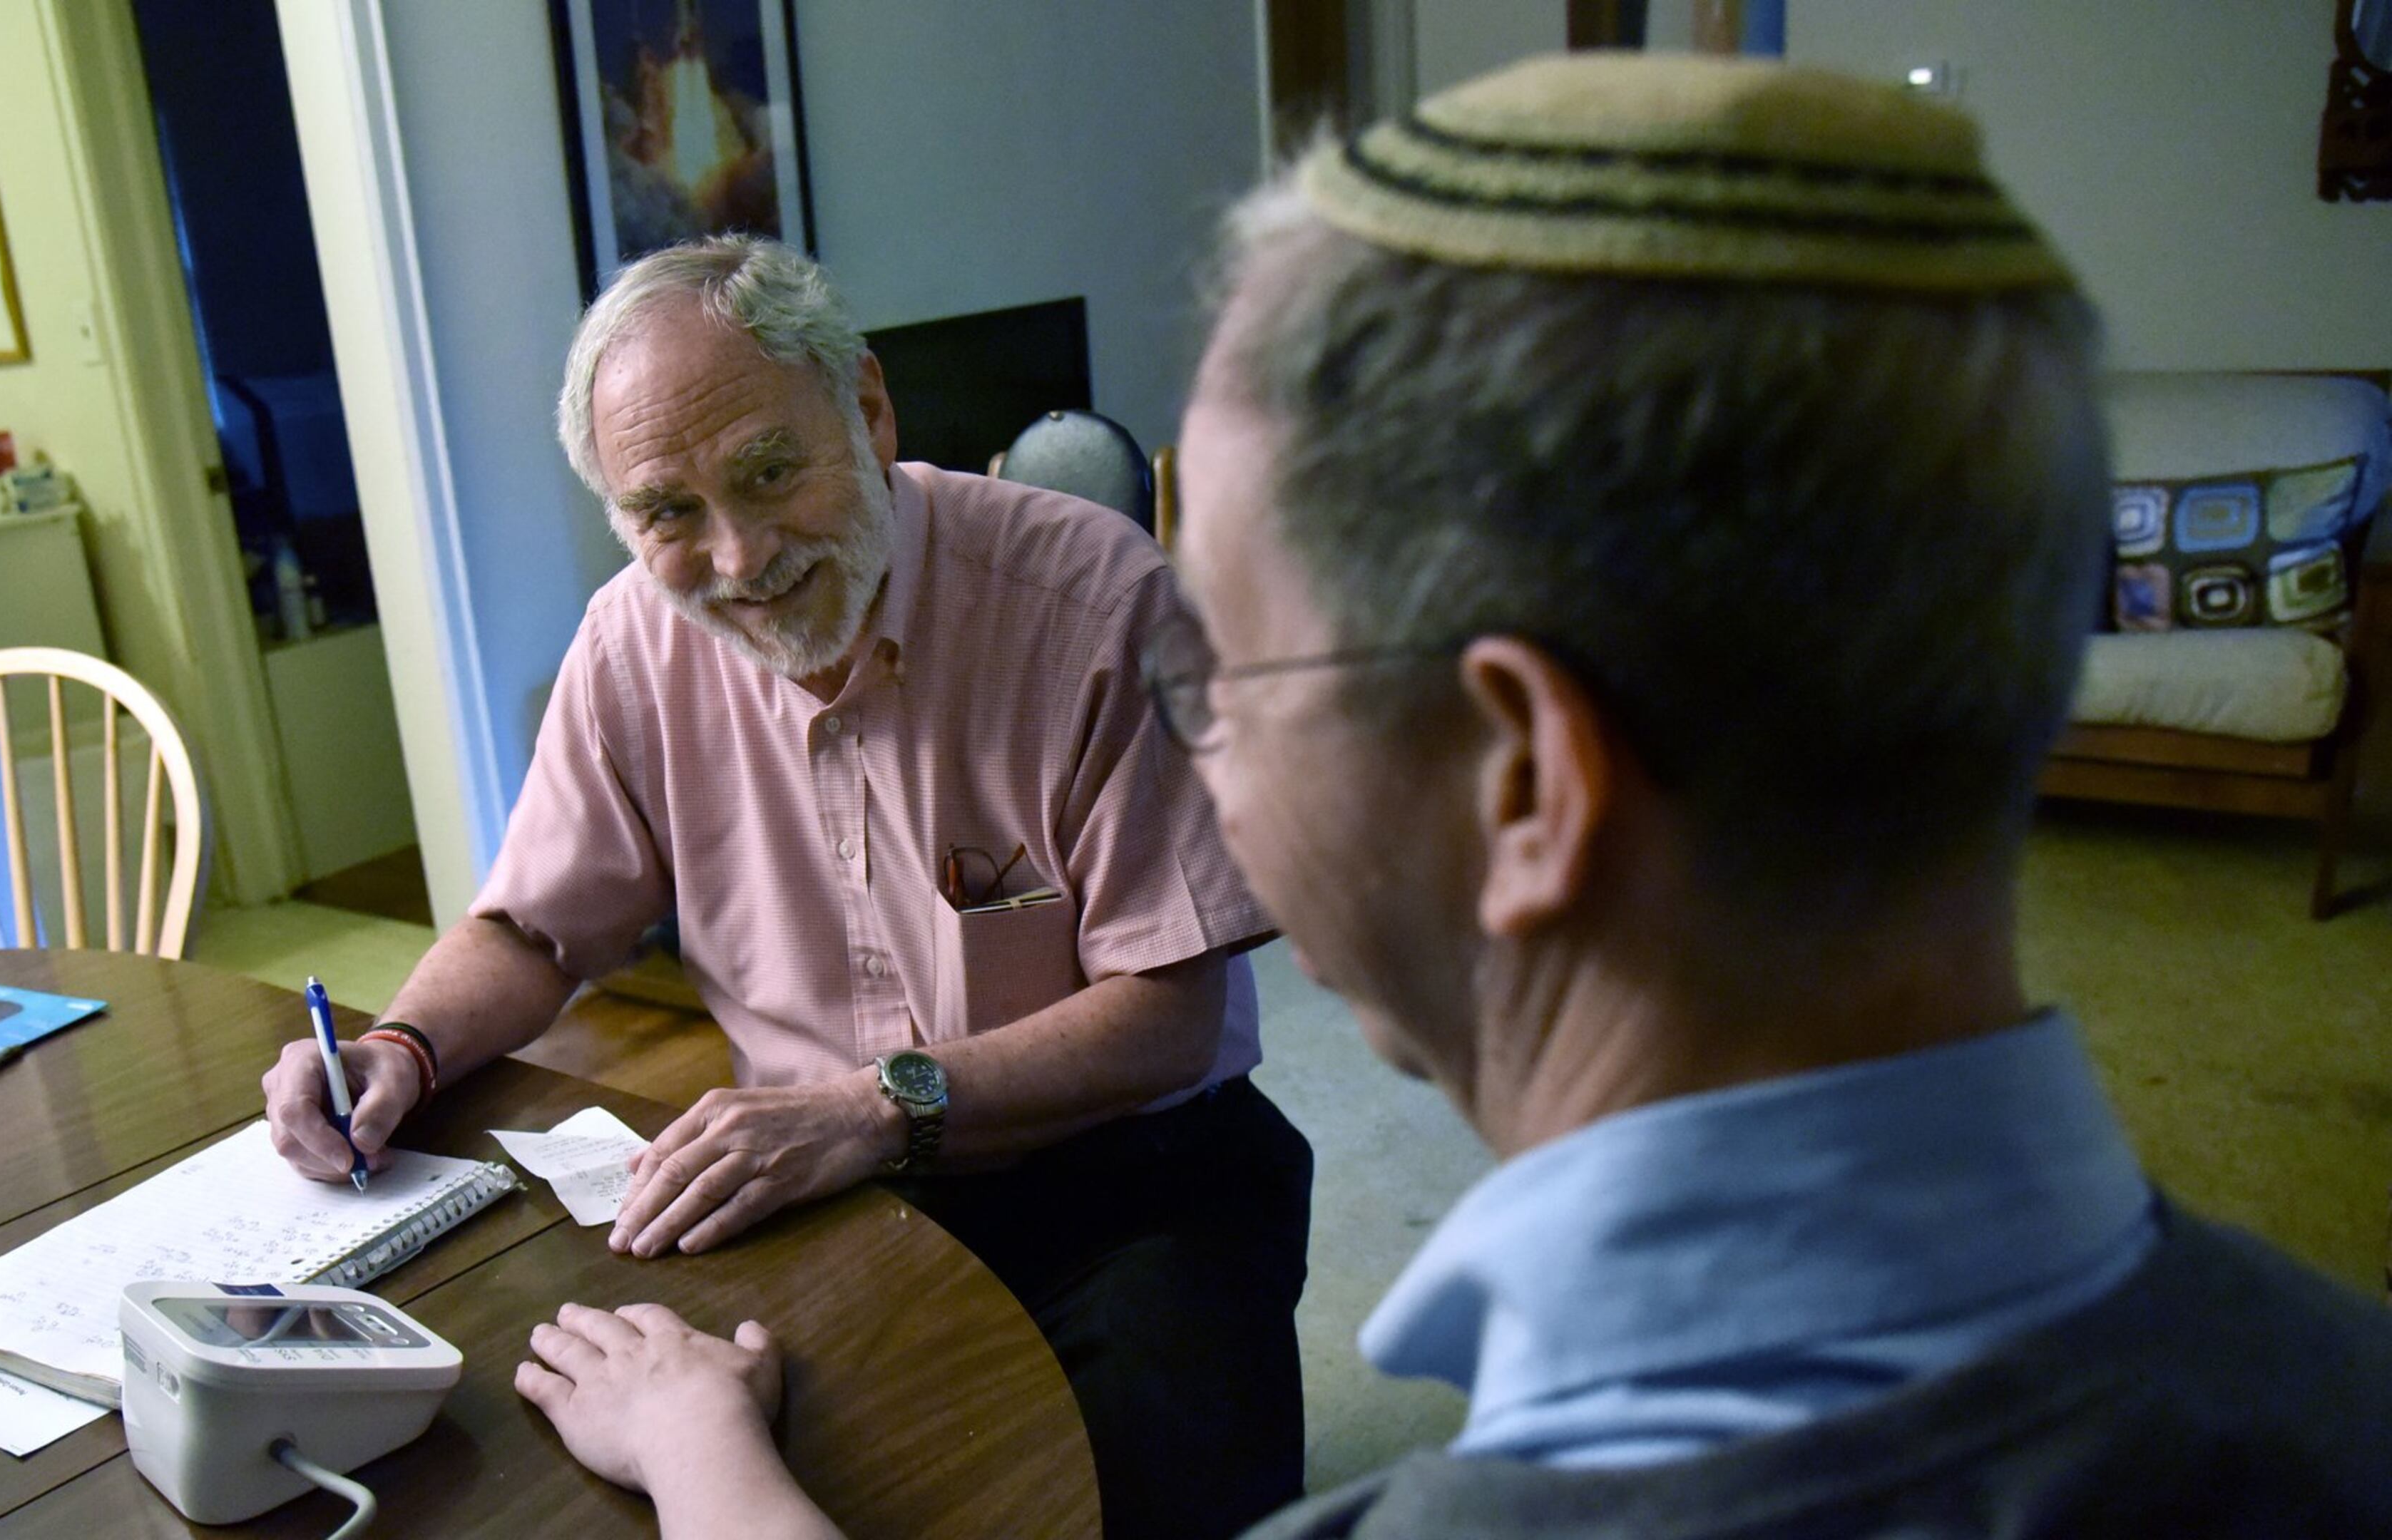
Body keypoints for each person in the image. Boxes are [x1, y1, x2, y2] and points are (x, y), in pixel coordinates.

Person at [495, 52, 2392, 1539]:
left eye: (1229, 661)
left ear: (1532, 787)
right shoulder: (2340, 1401)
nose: (1196, 735)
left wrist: (707, 1469)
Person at [260, 236, 1312, 1539]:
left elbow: (1166, 1020)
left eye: (769, 471)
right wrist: (402, 1046)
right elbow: (532, 930)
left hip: (1133, 1176)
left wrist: (873, 1109)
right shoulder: (632, 647)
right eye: (669, 514)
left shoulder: (1097, 605)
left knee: (1138, 1505)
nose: (742, 554)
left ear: (867, 409)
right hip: (831, 1183)